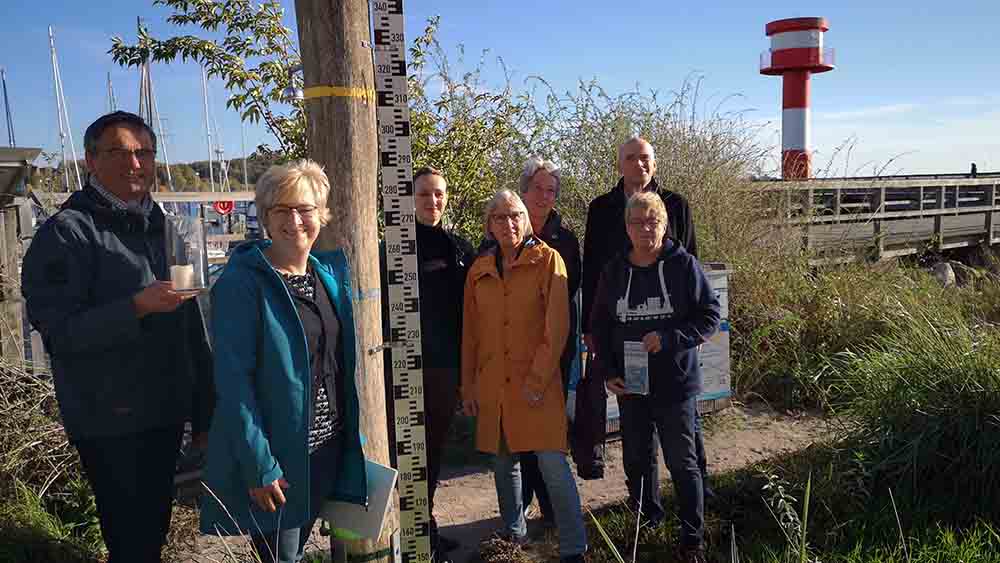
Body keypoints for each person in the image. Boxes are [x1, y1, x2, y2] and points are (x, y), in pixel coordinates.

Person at [21, 111, 214, 563]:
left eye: (144, 152)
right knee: (131, 541)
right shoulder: (67, 232)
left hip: (165, 412)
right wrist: (135, 307)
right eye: (119, 151)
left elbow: (192, 326)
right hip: (110, 422)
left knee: (152, 534)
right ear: (91, 160)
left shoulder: (164, 226)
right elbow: (60, 333)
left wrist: (203, 406)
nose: (135, 162)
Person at [199, 160, 368, 563]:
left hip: (328, 451)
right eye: (281, 210)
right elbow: (234, 382)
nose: (295, 220)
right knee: (281, 557)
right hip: (280, 461)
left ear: (320, 214)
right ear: (265, 218)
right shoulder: (242, 283)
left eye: (305, 209)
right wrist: (260, 466)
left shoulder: (327, 275)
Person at [581, 135, 713, 501]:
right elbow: (593, 272)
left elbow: (692, 268)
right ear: (619, 164)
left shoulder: (676, 205)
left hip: (671, 340)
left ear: (654, 164)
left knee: (684, 425)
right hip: (627, 341)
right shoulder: (602, 209)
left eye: (645, 158)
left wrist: (685, 335)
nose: (638, 164)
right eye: (630, 158)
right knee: (637, 434)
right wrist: (590, 331)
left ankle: (700, 495)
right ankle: (645, 510)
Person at [589, 192, 720, 562]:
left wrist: (671, 339)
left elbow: (709, 315)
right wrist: (609, 371)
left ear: (664, 224)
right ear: (626, 227)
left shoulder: (683, 266)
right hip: (630, 383)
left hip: (675, 383)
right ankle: (648, 521)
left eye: (653, 221)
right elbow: (600, 324)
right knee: (638, 458)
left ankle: (692, 537)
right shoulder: (614, 270)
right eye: (638, 222)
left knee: (682, 461)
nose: (646, 228)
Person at [461, 189, 587, 563]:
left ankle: (573, 547)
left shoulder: (549, 261)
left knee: (552, 464)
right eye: (499, 217)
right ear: (489, 224)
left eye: (515, 215)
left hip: (539, 386)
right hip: (494, 387)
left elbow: (558, 328)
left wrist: (536, 381)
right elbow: (470, 334)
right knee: (504, 462)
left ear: (526, 220)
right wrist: (468, 385)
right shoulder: (478, 269)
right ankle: (514, 537)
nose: (508, 223)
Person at [381, 167, 474, 559]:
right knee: (404, 455)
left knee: (431, 454)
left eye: (438, 194)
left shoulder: (460, 249)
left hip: (445, 370)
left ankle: (426, 529)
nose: (432, 202)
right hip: (403, 368)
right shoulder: (393, 248)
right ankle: (405, 536)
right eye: (424, 195)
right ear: (409, 199)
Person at [514, 157, 582, 527]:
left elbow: (570, 295)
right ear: (524, 190)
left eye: (551, 190)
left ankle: (554, 509)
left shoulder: (566, 241)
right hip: (515, 348)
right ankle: (522, 507)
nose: (543, 196)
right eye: (537, 188)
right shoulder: (504, 232)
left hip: (555, 348)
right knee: (522, 428)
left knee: (551, 430)